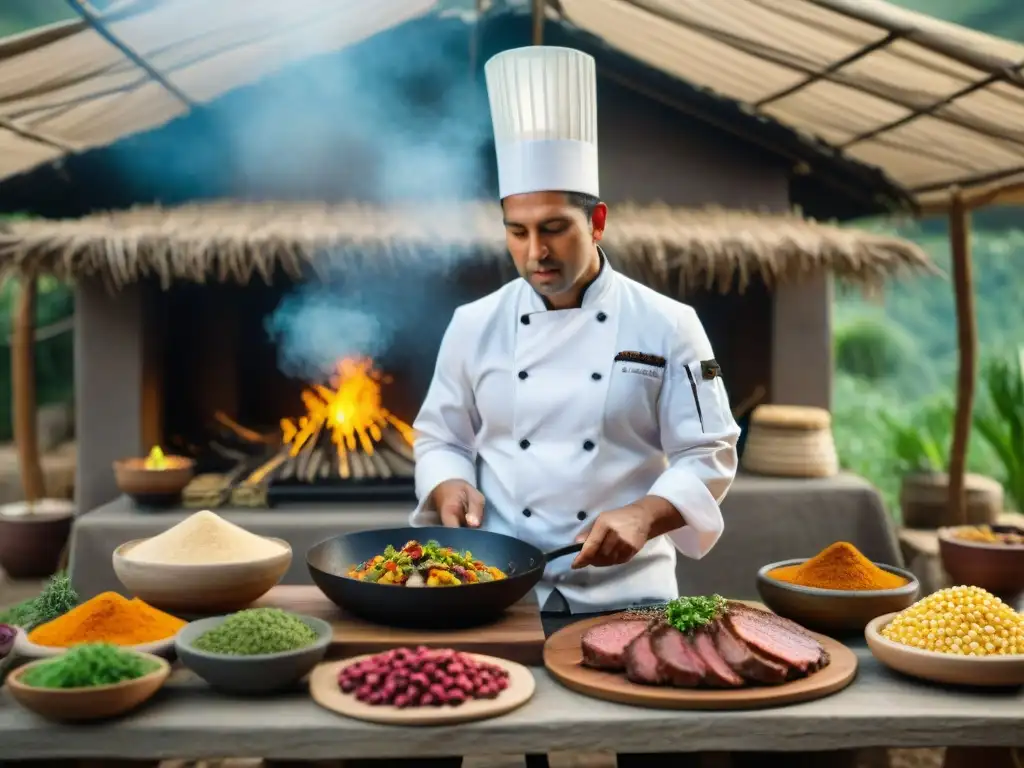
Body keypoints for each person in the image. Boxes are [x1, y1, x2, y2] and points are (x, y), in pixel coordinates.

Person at [404, 46, 742, 768]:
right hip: (499, 584)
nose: (535, 253)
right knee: (475, 739)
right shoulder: (473, 324)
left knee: (656, 751)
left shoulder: (668, 323)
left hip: (632, 592)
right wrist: (447, 483)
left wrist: (644, 516)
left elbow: (708, 451)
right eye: (517, 231)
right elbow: (439, 434)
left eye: (554, 227)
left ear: (599, 220)